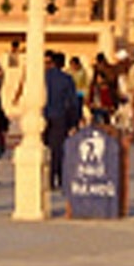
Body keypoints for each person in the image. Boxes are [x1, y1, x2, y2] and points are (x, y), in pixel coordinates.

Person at [43, 51, 80, 191]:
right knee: (58, 149)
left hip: (44, 116)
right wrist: (74, 122)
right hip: (60, 116)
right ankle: (59, 178)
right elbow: (72, 102)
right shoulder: (67, 79)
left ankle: (48, 178)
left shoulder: (43, 77)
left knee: (46, 147)